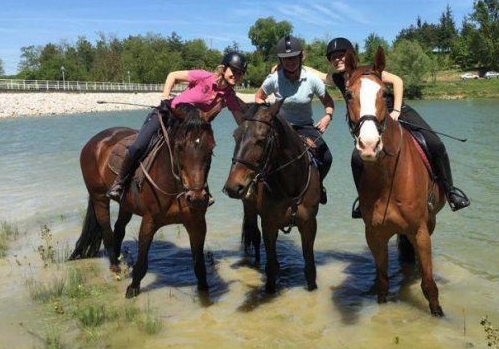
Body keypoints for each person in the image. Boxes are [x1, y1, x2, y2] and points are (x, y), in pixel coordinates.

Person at [308, 37, 470, 217]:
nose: (337, 59)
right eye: (333, 57)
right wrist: (288, 65)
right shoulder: (339, 78)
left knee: (435, 143)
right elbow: (319, 75)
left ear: (351, 57)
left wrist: (397, 110)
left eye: (341, 55)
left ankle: (450, 190)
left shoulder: (369, 71)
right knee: (356, 159)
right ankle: (363, 200)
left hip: (395, 110)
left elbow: (398, 81)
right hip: (370, 120)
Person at [106, 52, 248, 203]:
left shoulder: (229, 96)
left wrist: (252, 128)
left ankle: (203, 188)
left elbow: (240, 119)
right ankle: (119, 183)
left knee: (201, 154)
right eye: (233, 71)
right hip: (168, 116)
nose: (236, 75)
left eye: (240, 73)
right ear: (224, 68)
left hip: (190, 130)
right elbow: (172, 76)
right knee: (139, 145)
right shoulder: (203, 76)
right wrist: (165, 98)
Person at [254, 35, 335, 204]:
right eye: (285, 58)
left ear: (300, 57)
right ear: (280, 60)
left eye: (293, 57)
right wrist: (269, 112)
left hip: (305, 126)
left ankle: (318, 185)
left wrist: (328, 116)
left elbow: (328, 102)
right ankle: (255, 193)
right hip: (280, 126)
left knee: (327, 158)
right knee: (258, 155)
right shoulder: (274, 79)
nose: (289, 61)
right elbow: (258, 97)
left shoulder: (312, 79)